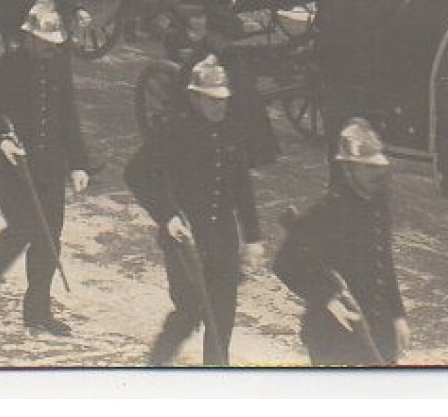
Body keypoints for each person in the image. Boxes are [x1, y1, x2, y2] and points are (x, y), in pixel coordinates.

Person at [127, 55, 265, 366]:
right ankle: (157, 364)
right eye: (211, 101)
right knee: (190, 311)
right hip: (185, 237)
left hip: (223, 239)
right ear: (194, 99)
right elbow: (136, 174)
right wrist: (167, 215)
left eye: (223, 101)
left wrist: (253, 236)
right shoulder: (173, 131)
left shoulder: (230, 133)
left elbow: (242, 186)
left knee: (222, 317)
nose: (219, 107)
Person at [0, 0, 92, 335]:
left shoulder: (58, 67)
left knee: (50, 240)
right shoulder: (3, 68)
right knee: (22, 230)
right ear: (30, 38)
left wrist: (79, 164)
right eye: (46, 44)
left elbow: (68, 117)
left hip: (50, 166)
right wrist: (1, 139)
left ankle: (37, 312)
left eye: (56, 45)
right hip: (14, 167)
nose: (52, 50)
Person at [273, 118, 409, 366]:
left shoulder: (378, 209)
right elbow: (284, 264)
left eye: (377, 167)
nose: (375, 174)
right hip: (333, 332)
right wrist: (327, 298)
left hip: (376, 329)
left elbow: (383, 263)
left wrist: (397, 315)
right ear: (348, 169)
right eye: (366, 168)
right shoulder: (328, 211)